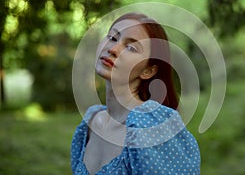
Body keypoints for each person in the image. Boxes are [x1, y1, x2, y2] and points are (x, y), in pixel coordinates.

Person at [71, 13, 201, 174]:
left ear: (148, 71)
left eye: (131, 48)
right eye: (112, 37)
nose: (113, 49)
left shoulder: (149, 125)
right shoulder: (91, 120)